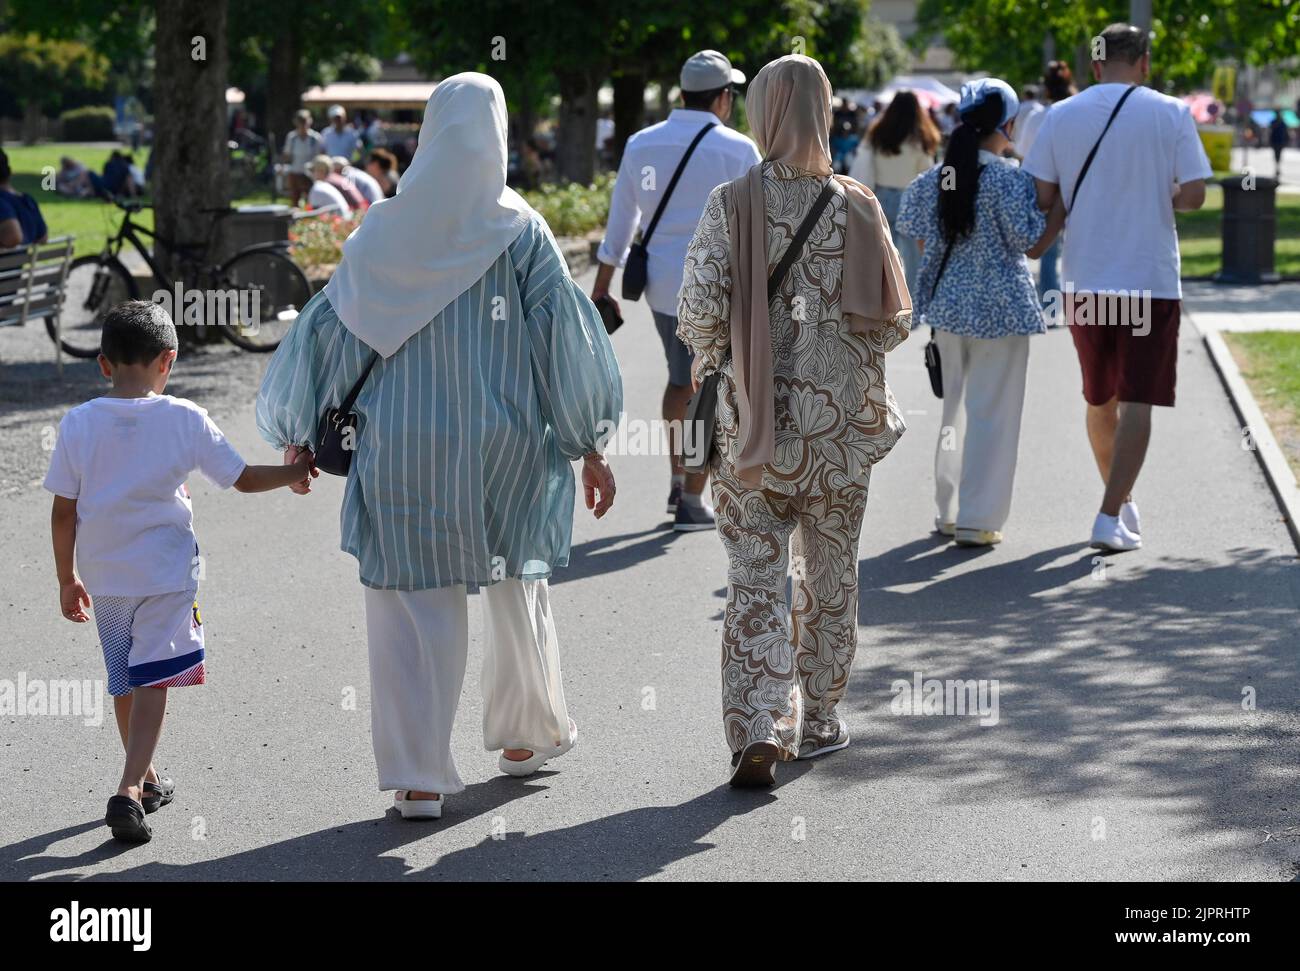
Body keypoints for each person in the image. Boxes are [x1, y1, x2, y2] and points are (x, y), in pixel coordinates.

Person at [256, 73, 622, 820]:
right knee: (518, 584)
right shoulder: (520, 230)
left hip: (401, 445)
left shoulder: (382, 231)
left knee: (410, 603)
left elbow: (326, 332)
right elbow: (564, 340)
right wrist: (590, 442)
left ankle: (419, 777)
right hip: (508, 441)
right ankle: (524, 737)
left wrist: (297, 436)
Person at [677, 54, 911, 786]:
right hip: (839, 435)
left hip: (752, 432)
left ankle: (755, 719)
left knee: (755, 574)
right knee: (830, 572)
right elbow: (893, 322)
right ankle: (821, 717)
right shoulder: (860, 205)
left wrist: (728, 355)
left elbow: (699, 312)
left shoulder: (730, 202)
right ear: (825, 110)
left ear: (762, 112)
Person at [44, 301, 313, 844]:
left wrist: (66, 578)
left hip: (104, 576)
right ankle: (126, 790)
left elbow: (63, 511)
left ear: (103, 364)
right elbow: (240, 478)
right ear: (168, 360)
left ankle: (145, 778)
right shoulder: (183, 417)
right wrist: (294, 472)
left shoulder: (78, 423)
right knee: (155, 678)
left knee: (125, 680)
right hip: (164, 573)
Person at [1023, 22, 1211, 552]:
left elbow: (1041, 195)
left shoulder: (1061, 116)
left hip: (1084, 279)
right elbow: (1195, 194)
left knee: (1100, 398)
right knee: (1138, 401)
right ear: (1145, 62)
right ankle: (1111, 512)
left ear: (1095, 64)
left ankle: (1119, 505)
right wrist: (1158, 191)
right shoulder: (1171, 112)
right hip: (1148, 279)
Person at [593, 49, 761, 532]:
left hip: (664, 285)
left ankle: (678, 478)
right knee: (708, 386)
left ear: (684, 94)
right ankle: (692, 496)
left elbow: (620, 227)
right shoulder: (737, 149)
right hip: (720, 284)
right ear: (723, 99)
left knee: (679, 380)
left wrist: (601, 291)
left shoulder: (641, 143)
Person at [897, 78, 1064, 547]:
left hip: (948, 308)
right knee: (994, 414)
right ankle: (978, 517)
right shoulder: (1012, 179)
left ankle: (947, 511)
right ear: (1008, 125)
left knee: (953, 414)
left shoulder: (932, 181)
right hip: (1004, 311)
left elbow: (924, 242)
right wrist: (1061, 211)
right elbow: (1031, 244)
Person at [849, 89, 940, 292]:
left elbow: (864, 160)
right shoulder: (922, 138)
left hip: (880, 196)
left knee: (881, 254)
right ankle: (911, 305)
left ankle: (881, 299)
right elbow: (926, 175)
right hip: (910, 199)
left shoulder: (878, 132)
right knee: (912, 256)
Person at [1018, 62, 1076, 306]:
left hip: (1045, 195)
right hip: (1079, 193)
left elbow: (1024, 155)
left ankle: (1051, 307)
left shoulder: (1038, 117)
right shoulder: (1081, 114)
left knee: (1049, 254)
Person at [0, 149, 48, 249]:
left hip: (6, 264)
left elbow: (13, 237)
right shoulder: (27, 200)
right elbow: (43, 238)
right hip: (20, 262)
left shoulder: (2, 201)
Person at [282, 110, 326, 207]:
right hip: (295, 173)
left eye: (304, 122)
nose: (302, 125)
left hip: (310, 175)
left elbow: (320, 157)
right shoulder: (291, 137)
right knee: (294, 202)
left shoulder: (315, 138)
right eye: (300, 122)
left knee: (311, 201)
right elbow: (287, 155)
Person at [1270, 111, 1290, 179]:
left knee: (1278, 155)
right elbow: (1271, 132)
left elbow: (1286, 132)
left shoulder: (1282, 122)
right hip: (1275, 141)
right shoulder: (1274, 122)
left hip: (1280, 141)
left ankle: (1277, 167)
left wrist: (1287, 140)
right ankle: (1277, 167)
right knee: (1276, 155)